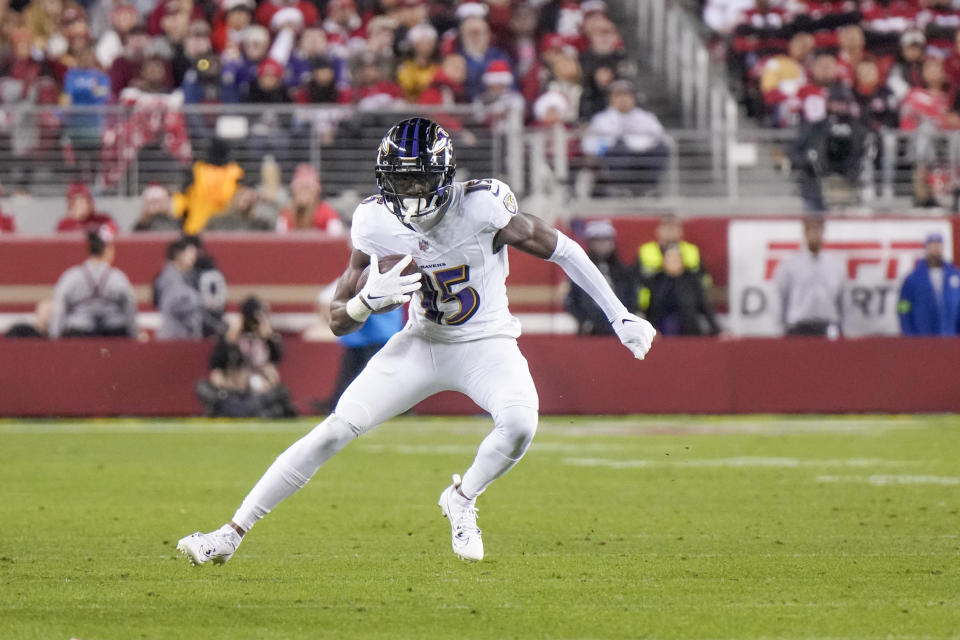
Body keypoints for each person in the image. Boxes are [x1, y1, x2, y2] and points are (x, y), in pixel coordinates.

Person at [177, 117, 656, 565]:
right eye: (400, 180)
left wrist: (618, 315)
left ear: (444, 175)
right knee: (334, 429)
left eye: (419, 179)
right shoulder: (374, 221)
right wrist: (367, 302)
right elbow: (338, 321)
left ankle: (462, 498)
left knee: (520, 424)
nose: (409, 192)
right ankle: (229, 534)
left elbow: (564, 249)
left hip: (486, 341)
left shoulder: (483, 205)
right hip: (421, 342)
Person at [195, 296, 298, 418]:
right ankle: (246, 410)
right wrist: (230, 341)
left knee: (281, 392)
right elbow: (216, 363)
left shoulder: (266, 336)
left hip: (259, 388)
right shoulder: (232, 334)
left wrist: (269, 338)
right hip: (232, 388)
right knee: (203, 387)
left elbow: (277, 358)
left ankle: (239, 410)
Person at [793, 54, 865, 212]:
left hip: (844, 162)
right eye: (822, 66)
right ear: (813, 68)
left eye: (830, 66)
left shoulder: (846, 92)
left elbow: (856, 122)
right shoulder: (804, 91)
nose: (826, 70)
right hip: (813, 163)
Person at [582, 80, 670, 195]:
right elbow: (589, 145)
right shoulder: (601, 119)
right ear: (611, 99)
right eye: (619, 96)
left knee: (661, 149)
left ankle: (647, 189)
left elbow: (664, 138)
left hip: (644, 157)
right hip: (617, 157)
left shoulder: (647, 117)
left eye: (627, 95)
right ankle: (624, 188)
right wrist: (607, 146)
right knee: (617, 149)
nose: (623, 99)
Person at [49, 225, 137, 339]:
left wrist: (54, 336)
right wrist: (133, 335)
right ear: (107, 250)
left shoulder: (72, 276)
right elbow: (130, 305)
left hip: (79, 333)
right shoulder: (118, 277)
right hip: (113, 334)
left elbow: (59, 306)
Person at [772, 215, 846, 337]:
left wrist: (844, 327)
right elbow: (781, 296)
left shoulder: (835, 264)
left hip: (827, 325)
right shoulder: (790, 263)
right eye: (810, 230)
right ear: (804, 233)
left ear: (823, 232)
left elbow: (842, 299)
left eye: (817, 230)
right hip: (798, 326)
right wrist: (780, 327)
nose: (814, 234)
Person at [564, 220, 637, 336]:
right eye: (597, 241)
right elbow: (570, 301)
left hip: (619, 330)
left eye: (606, 240)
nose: (602, 245)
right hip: (589, 331)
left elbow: (632, 298)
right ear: (590, 243)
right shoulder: (579, 271)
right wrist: (584, 321)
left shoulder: (624, 272)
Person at [643, 244, 720, 336]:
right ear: (664, 261)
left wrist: (718, 330)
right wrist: (650, 331)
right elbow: (651, 309)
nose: (674, 262)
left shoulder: (692, 280)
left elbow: (704, 306)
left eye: (677, 259)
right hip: (661, 330)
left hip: (688, 330)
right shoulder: (657, 280)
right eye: (670, 259)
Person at [898, 233, 960, 336]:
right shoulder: (913, 279)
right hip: (922, 336)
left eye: (938, 246)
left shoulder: (955, 275)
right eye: (932, 246)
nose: (935, 249)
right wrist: (908, 332)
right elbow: (903, 306)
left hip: (950, 335)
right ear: (926, 248)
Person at [156, 237, 203, 340]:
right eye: (189, 253)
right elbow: (176, 305)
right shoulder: (169, 278)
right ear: (179, 254)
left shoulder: (188, 277)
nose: (193, 258)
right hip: (173, 336)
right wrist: (200, 302)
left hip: (185, 335)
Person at [276, 164, 344, 234]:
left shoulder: (327, 212)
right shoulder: (286, 214)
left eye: (308, 187)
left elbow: (337, 238)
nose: (304, 192)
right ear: (293, 189)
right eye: (300, 186)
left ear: (317, 189)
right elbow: (280, 239)